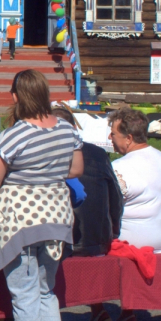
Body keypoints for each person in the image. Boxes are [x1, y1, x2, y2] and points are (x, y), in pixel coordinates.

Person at [0, 69, 83, 321]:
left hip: (20, 219)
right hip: (55, 216)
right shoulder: (66, 129)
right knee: (46, 292)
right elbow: (76, 168)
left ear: (16, 97)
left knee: (23, 294)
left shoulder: (12, 135)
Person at [83, 107, 161, 321]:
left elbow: (100, 207)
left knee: (85, 244)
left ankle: (98, 312)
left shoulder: (120, 168)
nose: (109, 138)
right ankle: (127, 315)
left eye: (113, 134)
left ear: (128, 138)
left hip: (138, 240)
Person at [49, 107, 121, 259]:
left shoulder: (42, 154)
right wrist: (114, 233)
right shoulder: (98, 153)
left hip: (56, 243)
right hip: (95, 242)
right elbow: (115, 197)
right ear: (75, 128)